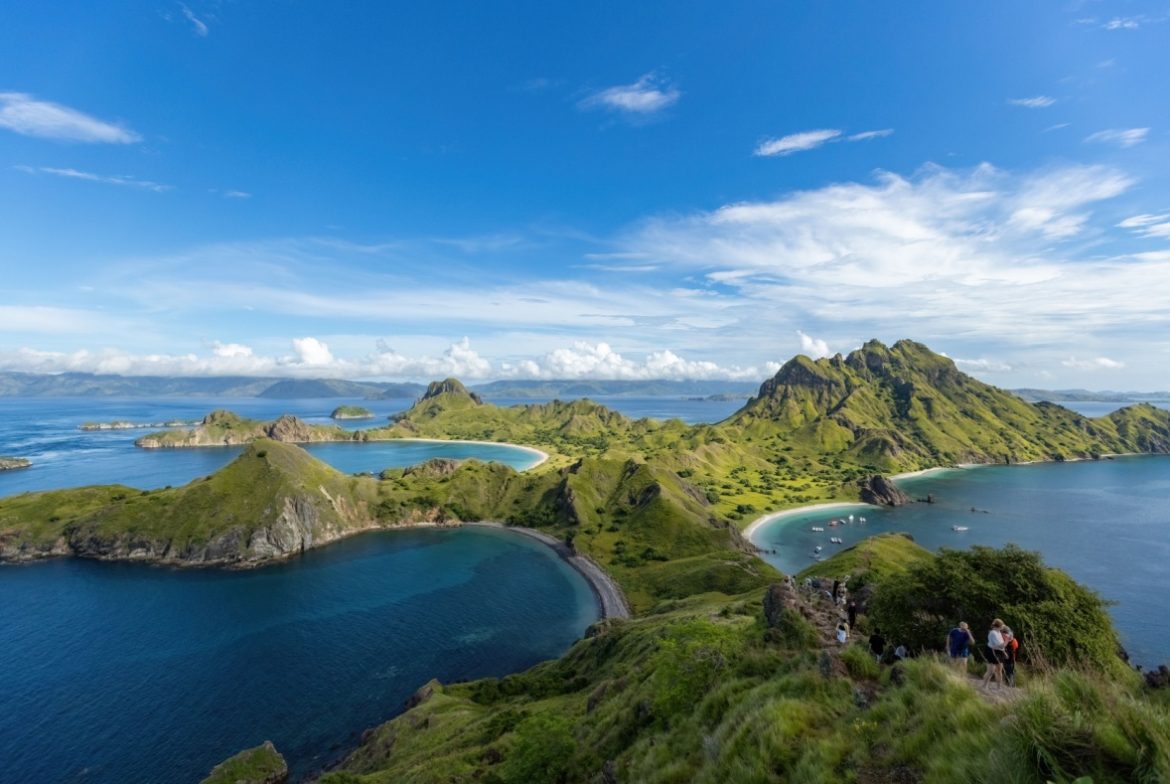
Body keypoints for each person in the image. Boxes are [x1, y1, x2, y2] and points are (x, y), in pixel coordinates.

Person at [981, 619, 1007, 689]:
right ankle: (984, 685)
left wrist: (1004, 652)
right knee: (991, 671)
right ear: (999, 626)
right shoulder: (993, 633)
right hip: (991, 651)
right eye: (1002, 625)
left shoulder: (999, 632)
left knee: (999, 670)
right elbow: (1000, 645)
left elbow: (1001, 645)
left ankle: (999, 687)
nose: (1003, 626)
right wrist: (1007, 640)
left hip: (999, 652)